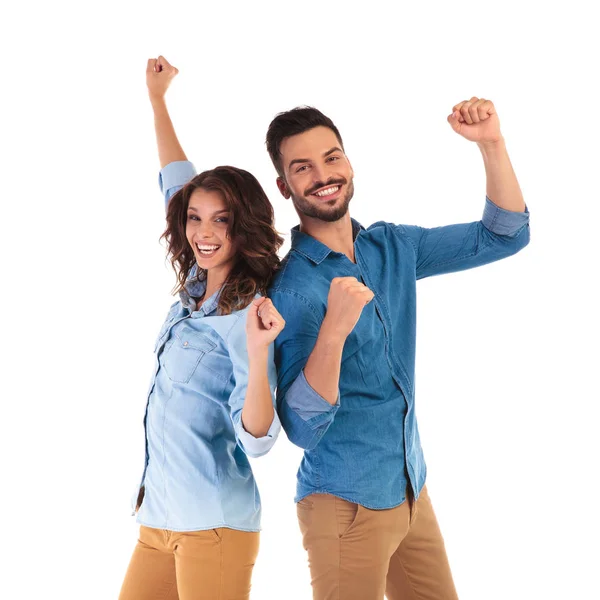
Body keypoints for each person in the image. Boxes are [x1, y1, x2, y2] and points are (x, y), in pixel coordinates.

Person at [266, 100, 530, 599]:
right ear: (285, 187)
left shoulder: (391, 247)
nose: (323, 175)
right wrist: (333, 332)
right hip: (346, 506)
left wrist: (492, 144)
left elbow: (504, 236)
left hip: (409, 486)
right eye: (303, 168)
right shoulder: (294, 290)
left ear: (348, 164)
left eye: (332, 158)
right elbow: (300, 427)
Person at [119, 56, 285, 600]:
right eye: (195, 218)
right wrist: (158, 100)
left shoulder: (249, 313)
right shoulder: (195, 281)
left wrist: (260, 354)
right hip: (159, 516)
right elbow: (177, 182)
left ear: (246, 228)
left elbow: (258, 440)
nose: (203, 232)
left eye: (222, 221)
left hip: (213, 524)